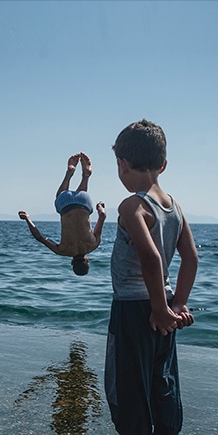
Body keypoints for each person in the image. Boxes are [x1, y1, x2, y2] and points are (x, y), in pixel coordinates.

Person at [104, 119, 198, 434]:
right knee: (163, 383)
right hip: (164, 307)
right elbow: (191, 258)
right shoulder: (175, 208)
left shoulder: (132, 206)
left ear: (122, 164)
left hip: (133, 310)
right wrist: (177, 306)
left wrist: (160, 309)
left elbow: (150, 256)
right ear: (163, 165)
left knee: (128, 390)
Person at [19, 152, 106, 275]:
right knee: (60, 196)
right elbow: (39, 237)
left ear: (87, 260)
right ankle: (69, 174)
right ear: (72, 263)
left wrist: (100, 207)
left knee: (81, 203)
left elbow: (102, 217)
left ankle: (85, 176)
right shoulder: (63, 251)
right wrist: (27, 218)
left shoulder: (94, 245)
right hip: (65, 204)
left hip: (84, 201)